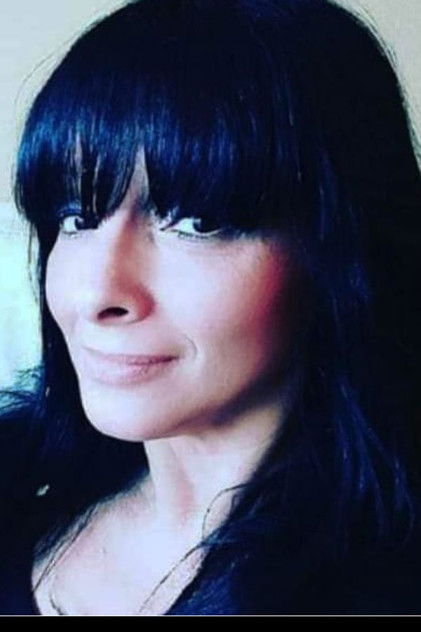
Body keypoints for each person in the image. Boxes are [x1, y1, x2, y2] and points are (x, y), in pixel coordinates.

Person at [1, 0, 420, 615]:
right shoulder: (20, 502)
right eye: (76, 216)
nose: (96, 294)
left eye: (196, 222)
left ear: (340, 252)